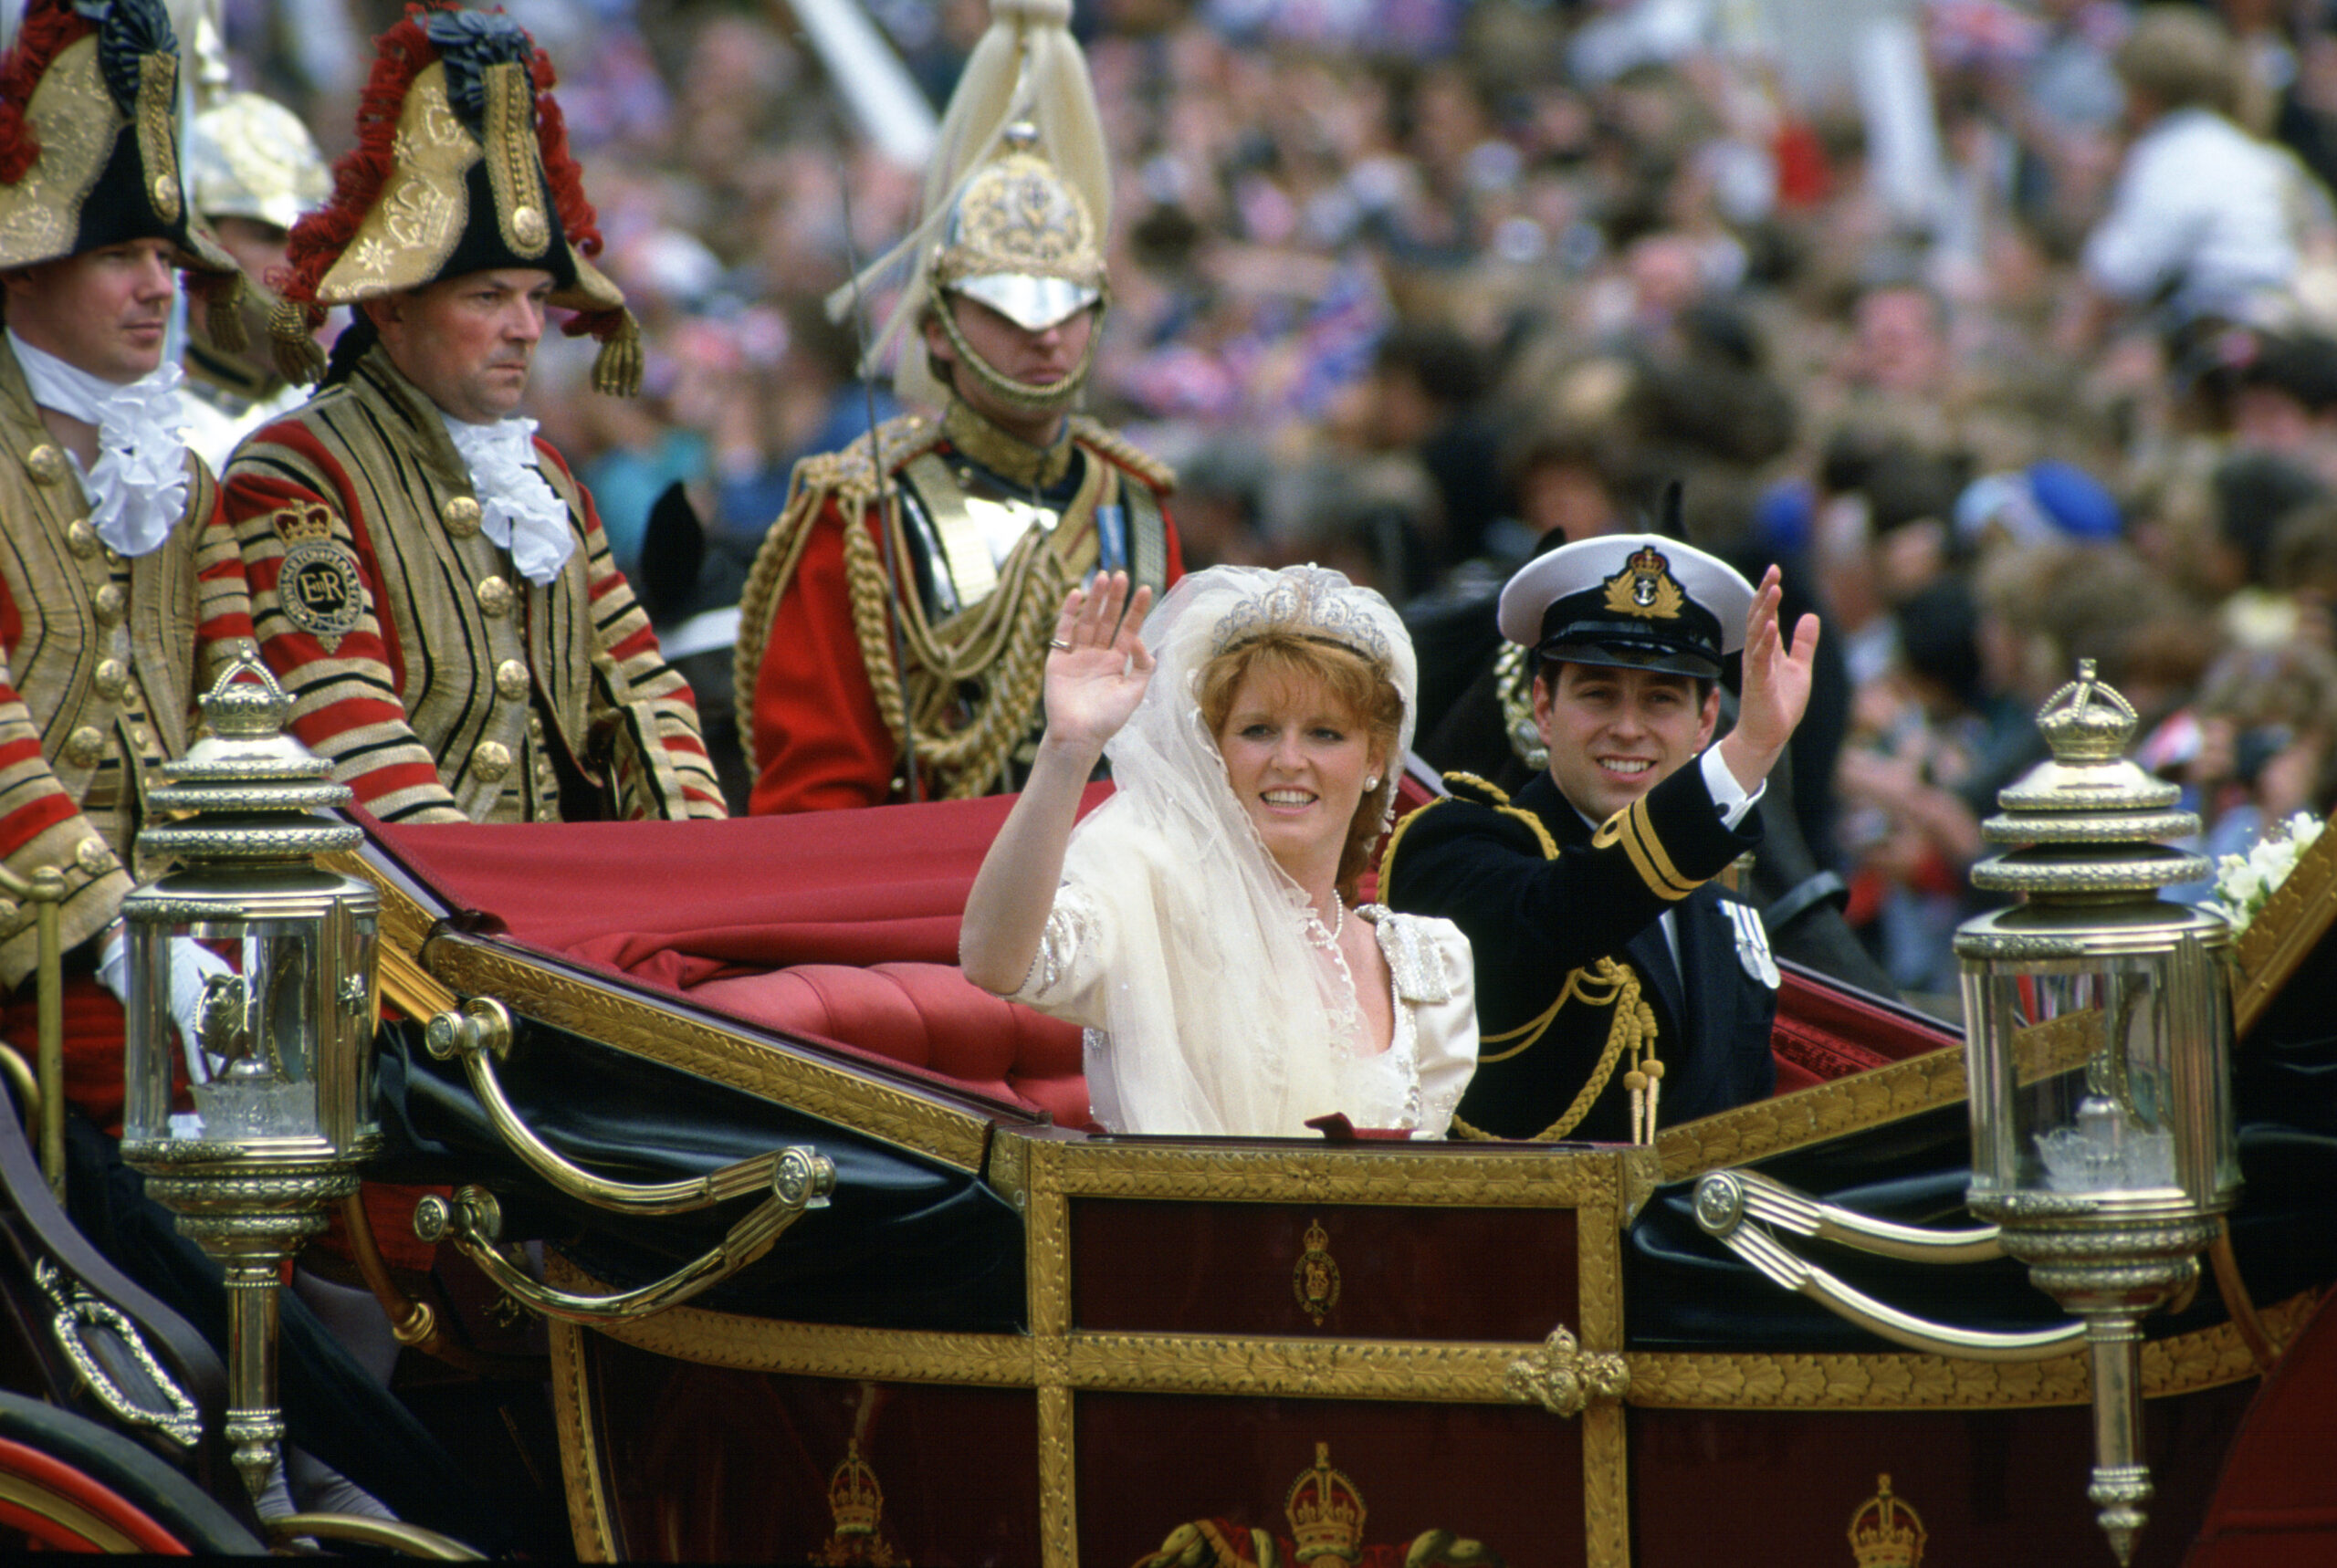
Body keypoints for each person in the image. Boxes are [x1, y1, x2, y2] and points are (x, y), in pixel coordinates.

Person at [224, 1, 725, 826]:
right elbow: (348, 726)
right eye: (488, 297)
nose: (527, 329)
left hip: (561, 912)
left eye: (535, 298)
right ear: (391, 309)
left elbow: (642, 693)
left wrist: (699, 870)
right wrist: (492, 928)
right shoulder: (296, 472)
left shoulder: (549, 478)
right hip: (412, 920)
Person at [737, 0, 1180, 814]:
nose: (1044, 336)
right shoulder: (862, 512)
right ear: (938, 329)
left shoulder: (1138, 503)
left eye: (1065, 307)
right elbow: (816, 795)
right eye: (1010, 311)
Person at [960, 566, 1476, 1138]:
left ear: (1375, 760)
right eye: (1258, 730)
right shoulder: (1154, 897)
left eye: (1325, 733)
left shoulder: (1430, 965)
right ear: (1214, 750)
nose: (1288, 759)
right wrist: (1068, 748)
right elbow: (995, 961)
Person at [0, 0, 255, 1129]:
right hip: (30, 974)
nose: (161, 286)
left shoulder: (182, 477)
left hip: (172, 958)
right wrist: (114, 936)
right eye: (119, 256)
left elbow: (242, 703)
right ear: (22, 272)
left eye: (165, 255)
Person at [1382, 535, 1818, 1143]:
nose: (1628, 728)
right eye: (1597, 694)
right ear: (1543, 706)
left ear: (1704, 719)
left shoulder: (1726, 909)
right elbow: (1573, 904)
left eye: (1661, 699)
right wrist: (1745, 755)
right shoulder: (1457, 849)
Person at [178, 60, 330, 470]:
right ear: (199, 240)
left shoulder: (337, 410)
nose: (295, 264)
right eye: (266, 237)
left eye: (307, 240)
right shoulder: (148, 422)